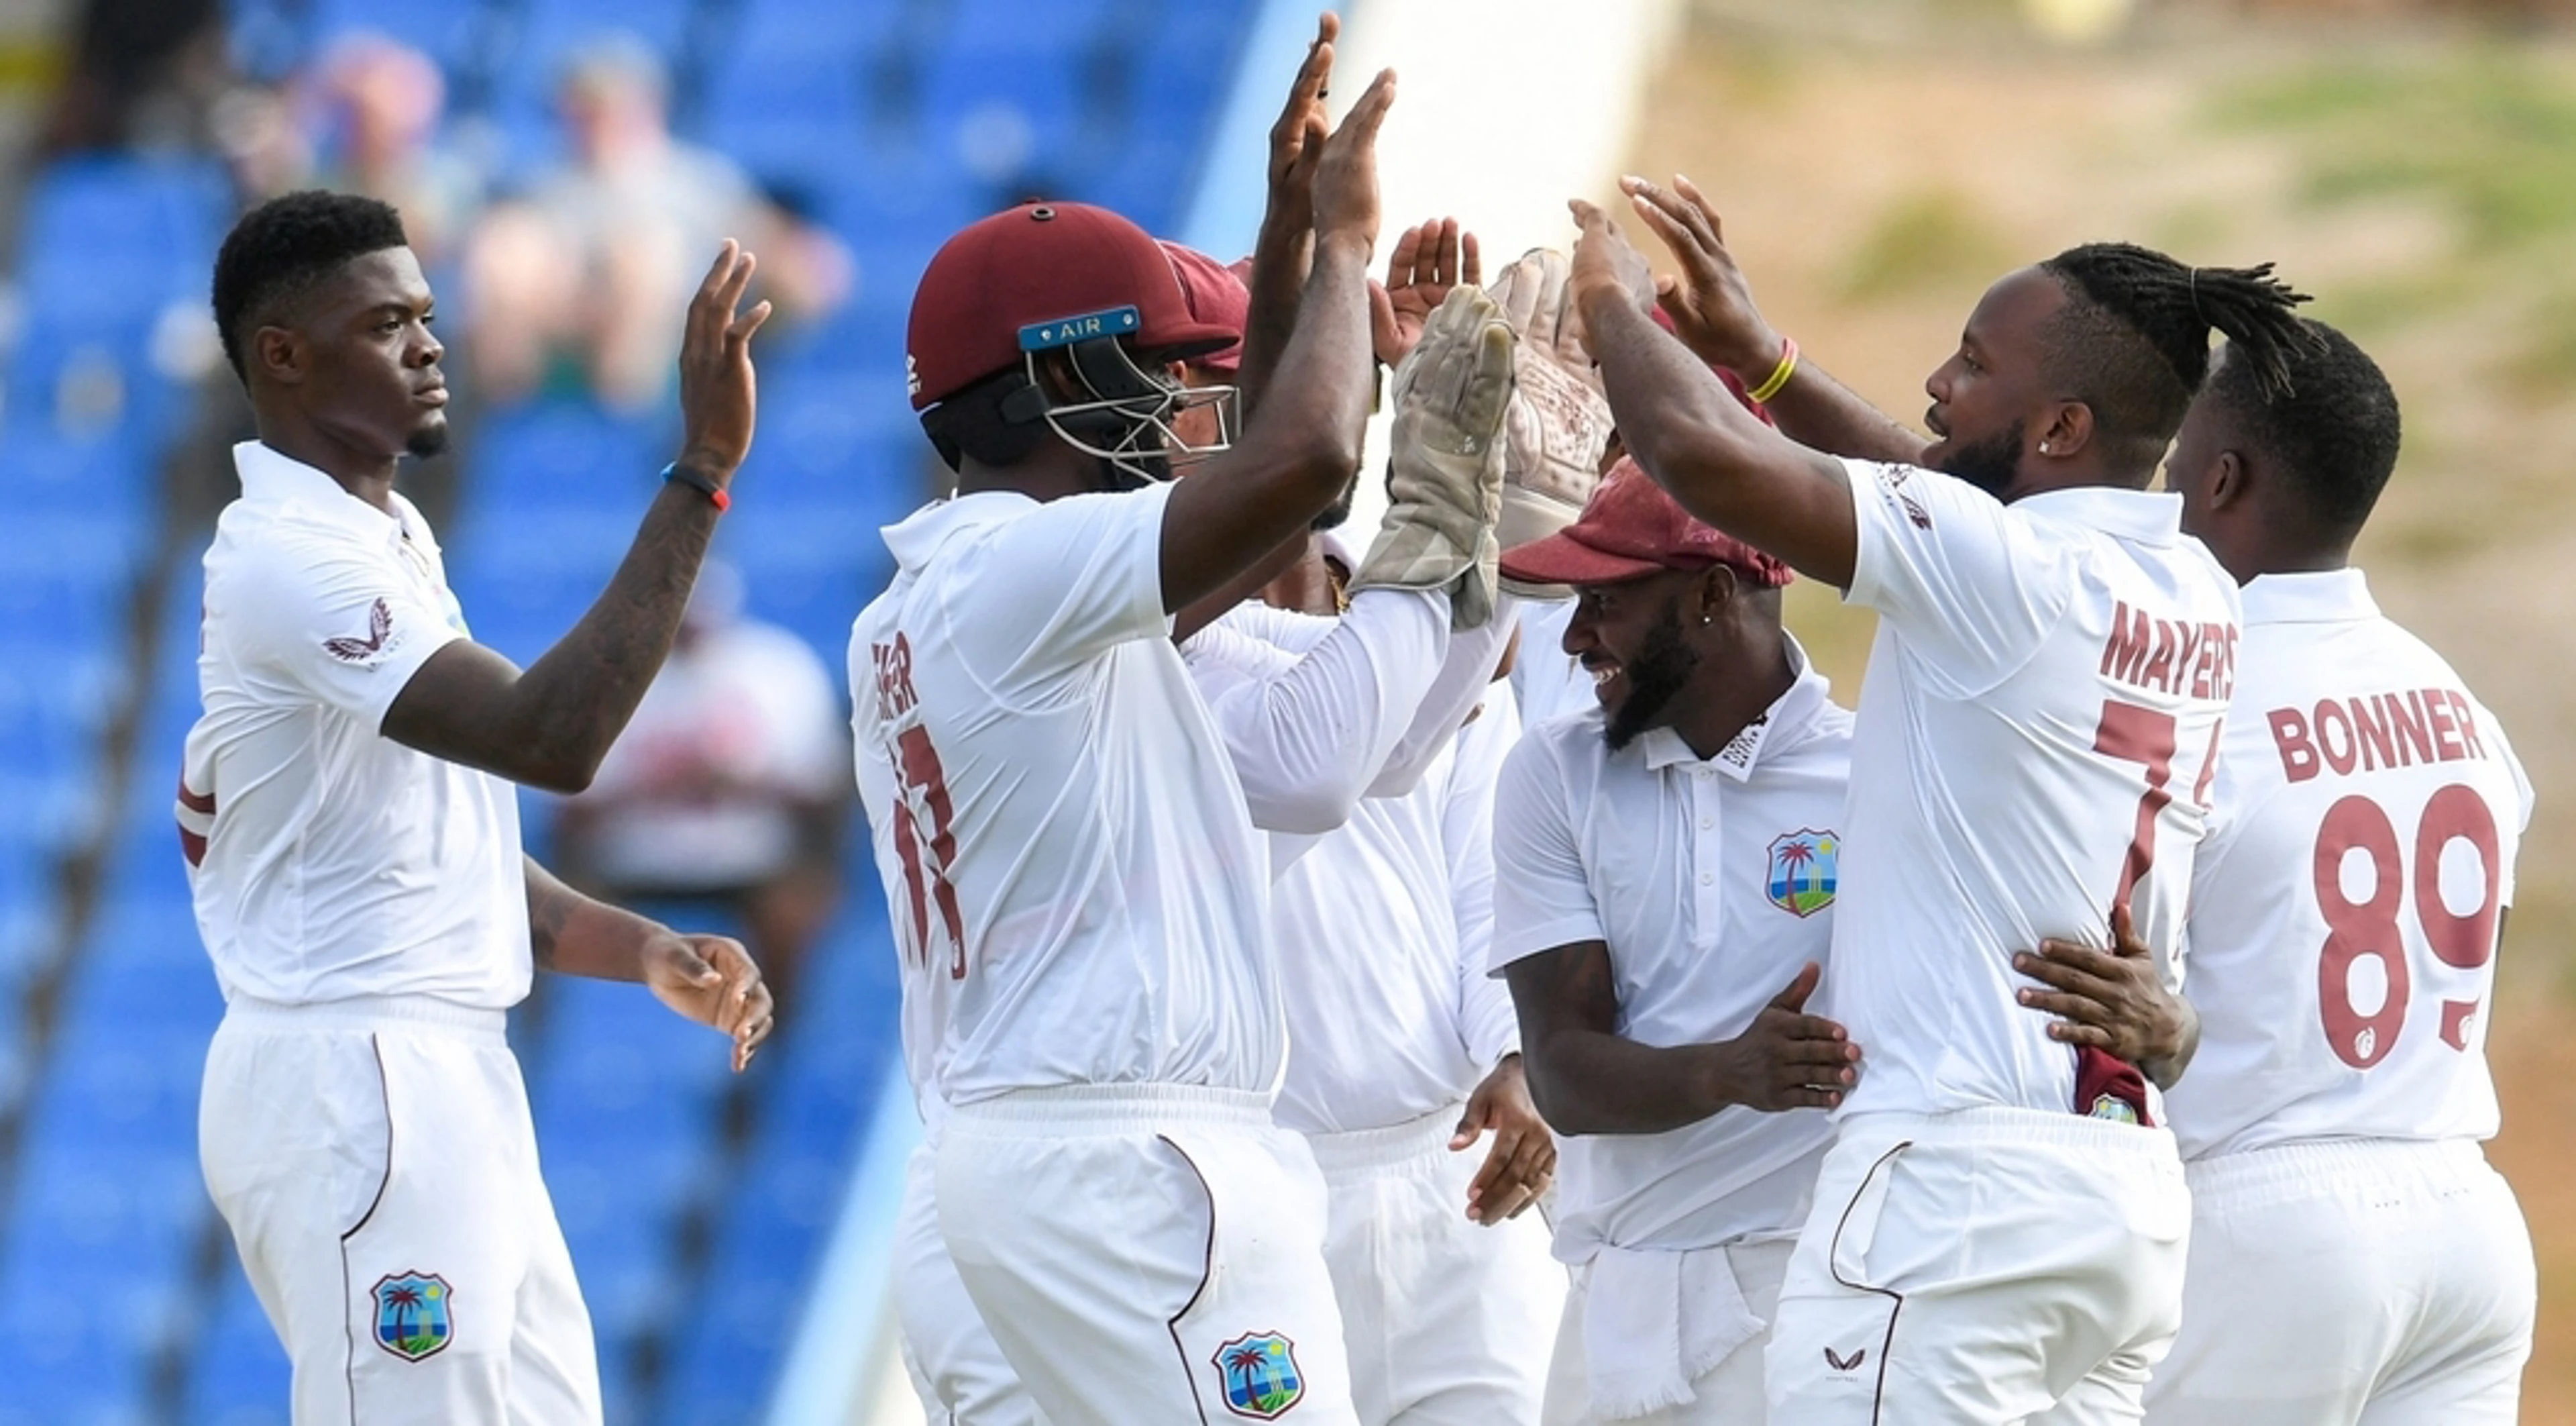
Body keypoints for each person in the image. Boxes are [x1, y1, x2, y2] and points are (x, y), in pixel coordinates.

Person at [847, 21, 1507, 1420]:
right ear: (1056, 386)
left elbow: (1274, 491)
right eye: (1144, 368)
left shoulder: (938, 598)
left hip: (1036, 1155)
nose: (1176, 407)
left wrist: (1284, 236)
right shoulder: (1024, 569)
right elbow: (1306, 461)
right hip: (1129, 1166)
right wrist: (1341, 250)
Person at [1567, 176, 2304, 1421]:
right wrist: (1765, 358)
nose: (1936, 384)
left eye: (1973, 362)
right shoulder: (2189, 585)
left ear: (2062, 427)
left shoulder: (2009, 578)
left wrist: (1607, 302)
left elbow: (1699, 459)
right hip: (2116, 1209)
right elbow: (1945, 491)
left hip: (1952, 1202)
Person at [181, 191, 775, 1425]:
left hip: (442, 1071)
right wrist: (702, 472)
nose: (431, 343)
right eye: (387, 321)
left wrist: (638, 944)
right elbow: (551, 741)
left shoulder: (380, 536)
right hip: (361, 1078)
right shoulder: (293, 559)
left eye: (429, 315)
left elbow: (433, 848)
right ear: (283, 356)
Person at [2140, 320, 2536, 1423]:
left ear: (2223, 480)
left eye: (2174, 468)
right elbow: (2472, 955)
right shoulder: (2454, 698)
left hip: (2265, 1231)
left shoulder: (2193, 704)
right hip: (2464, 1223)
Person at [1491, 460, 1849, 1424]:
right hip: (1618, 1304)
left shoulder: (1876, 773)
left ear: (1712, 595)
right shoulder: (1554, 772)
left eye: (1603, 601)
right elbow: (1563, 1075)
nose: (1574, 638)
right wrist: (1729, 1073)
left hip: (1818, 1290)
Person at [462, 34, 848, 408]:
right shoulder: (541, 184)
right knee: (507, 245)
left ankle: (625, 411)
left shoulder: (695, 181)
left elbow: (773, 248)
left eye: (604, 107)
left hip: (668, 332)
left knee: (643, 256)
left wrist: (800, 277)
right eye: (582, 109)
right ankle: (508, 407)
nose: (591, 122)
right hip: (560, 320)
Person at [547, 560, 849, 1017]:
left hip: (751, 864)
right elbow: (566, 815)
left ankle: (775, 1052)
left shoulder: (777, 670)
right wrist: (654, 786)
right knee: (553, 916)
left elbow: (823, 794)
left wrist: (740, 782)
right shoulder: (606, 678)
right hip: (631, 865)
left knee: (798, 909)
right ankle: (559, 1042)